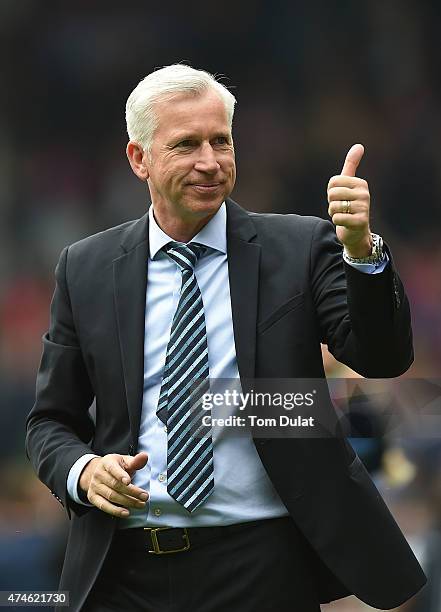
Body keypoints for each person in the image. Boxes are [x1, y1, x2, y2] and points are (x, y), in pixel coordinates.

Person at [26, 64, 426, 612]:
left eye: (221, 141)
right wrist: (83, 471)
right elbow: (51, 420)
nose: (209, 162)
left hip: (262, 564)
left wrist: (360, 250)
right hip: (125, 570)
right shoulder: (85, 267)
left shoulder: (301, 246)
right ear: (138, 159)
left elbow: (383, 358)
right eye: (186, 144)